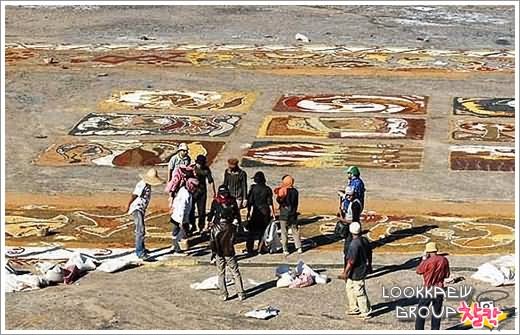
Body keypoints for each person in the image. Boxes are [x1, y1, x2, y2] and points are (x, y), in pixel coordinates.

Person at [207, 185, 246, 301]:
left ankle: (224, 294)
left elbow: (212, 242)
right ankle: (241, 293)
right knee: (235, 272)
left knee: (221, 273)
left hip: (219, 252)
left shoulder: (215, 228)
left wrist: (214, 253)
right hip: (229, 251)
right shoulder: (231, 227)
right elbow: (234, 238)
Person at [126, 168, 164, 259]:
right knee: (140, 230)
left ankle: (141, 248)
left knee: (141, 229)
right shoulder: (142, 184)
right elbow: (134, 195)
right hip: (137, 208)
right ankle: (140, 252)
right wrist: (128, 205)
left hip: (141, 209)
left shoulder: (147, 185)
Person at [415, 242, 450, 330]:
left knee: (421, 312)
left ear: (428, 252)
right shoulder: (444, 260)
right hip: (440, 289)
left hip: (428, 289)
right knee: (436, 312)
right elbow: (447, 275)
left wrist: (423, 259)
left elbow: (419, 271)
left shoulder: (427, 262)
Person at [344, 222, 372, 320]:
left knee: (359, 291)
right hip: (358, 270)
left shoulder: (354, 245)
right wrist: (370, 265)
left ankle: (365, 311)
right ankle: (354, 307)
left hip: (357, 271)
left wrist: (345, 272)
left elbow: (351, 261)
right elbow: (370, 254)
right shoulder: (365, 240)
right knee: (349, 288)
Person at [246, 171, 276, 255]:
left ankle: (249, 249)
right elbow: (270, 202)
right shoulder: (267, 189)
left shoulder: (253, 189)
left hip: (256, 211)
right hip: (265, 211)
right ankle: (260, 248)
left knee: (251, 232)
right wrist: (273, 213)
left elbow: (250, 202)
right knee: (263, 232)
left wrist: (248, 212)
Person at [338, 186, 363, 279]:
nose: (347, 197)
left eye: (349, 195)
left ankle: (347, 272)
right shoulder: (352, 201)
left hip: (352, 229)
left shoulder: (355, 205)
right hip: (351, 227)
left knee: (348, 250)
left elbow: (354, 220)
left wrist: (343, 220)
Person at [169, 178, 199, 255]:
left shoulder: (183, 189)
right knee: (182, 233)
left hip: (175, 215)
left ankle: (174, 245)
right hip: (181, 217)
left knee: (175, 232)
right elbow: (183, 208)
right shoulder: (186, 195)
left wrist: (173, 207)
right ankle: (177, 249)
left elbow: (176, 200)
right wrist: (182, 221)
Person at [274, 175, 301, 256]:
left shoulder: (283, 190)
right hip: (293, 214)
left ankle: (285, 249)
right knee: (295, 231)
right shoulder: (295, 191)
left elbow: (279, 201)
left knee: (284, 232)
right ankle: (299, 247)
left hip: (284, 214)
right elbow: (296, 203)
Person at [190, 154, 216, 234]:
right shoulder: (192, 168)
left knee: (202, 211)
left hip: (202, 192)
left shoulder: (206, 169)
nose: (200, 165)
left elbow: (211, 181)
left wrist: (214, 192)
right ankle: (193, 226)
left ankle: (201, 227)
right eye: (199, 164)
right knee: (191, 210)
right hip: (192, 192)